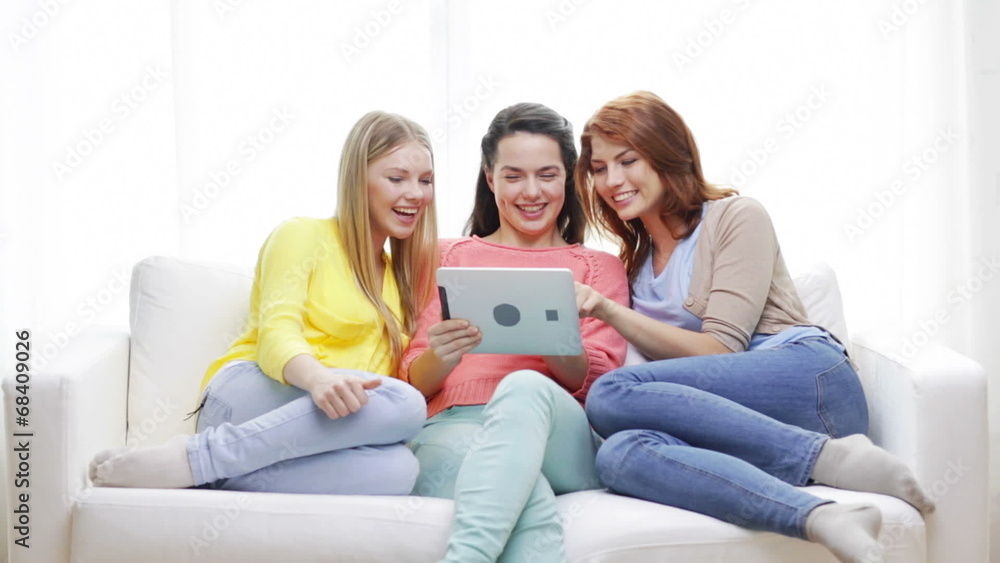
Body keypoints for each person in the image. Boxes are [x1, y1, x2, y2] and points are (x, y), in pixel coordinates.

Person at [572, 91, 934, 563]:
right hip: (744, 425)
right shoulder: (634, 266)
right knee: (619, 455)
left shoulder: (736, 216)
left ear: (666, 154)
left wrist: (607, 310)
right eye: (599, 168)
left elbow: (720, 351)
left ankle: (836, 458)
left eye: (628, 160)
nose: (612, 180)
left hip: (812, 384)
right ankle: (820, 517)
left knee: (611, 395)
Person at [89, 111, 436, 495]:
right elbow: (277, 333)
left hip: (318, 422)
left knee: (399, 470)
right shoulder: (302, 235)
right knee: (405, 403)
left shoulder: (399, 281)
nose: (416, 194)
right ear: (357, 180)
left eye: (425, 181)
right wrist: (319, 379)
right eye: (397, 178)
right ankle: (201, 456)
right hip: (250, 395)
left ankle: (203, 471)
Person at [400, 102, 629, 562]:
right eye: (513, 176)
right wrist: (441, 355)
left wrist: (556, 339)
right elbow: (412, 383)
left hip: (557, 435)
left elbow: (600, 386)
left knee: (524, 386)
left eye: (547, 175)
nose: (531, 192)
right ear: (490, 178)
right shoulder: (446, 256)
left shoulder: (598, 268)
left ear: (568, 178)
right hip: (456, 426)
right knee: (525, 501)